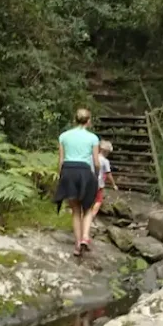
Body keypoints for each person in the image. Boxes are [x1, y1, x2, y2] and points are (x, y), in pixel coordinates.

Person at [53, 108, 100, 256]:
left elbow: (60, 160)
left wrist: (62, 177)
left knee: (75, 210)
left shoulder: (63, 136)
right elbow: (97, 162)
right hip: (84, 172)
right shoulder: (93, 138)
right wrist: (96, 176)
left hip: (68, 171)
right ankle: (85, 237)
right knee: (87, 207)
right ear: (88, 121)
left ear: (75, 120)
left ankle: (77, 244)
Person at [87, 140, 118, 228]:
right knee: (98, 201)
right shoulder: (105, 161)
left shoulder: (91, 157)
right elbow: (108, 174)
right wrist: (113, 185)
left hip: (88, 181)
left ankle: (85, 217)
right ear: (107, 151)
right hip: (98, 183)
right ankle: (91, 219)